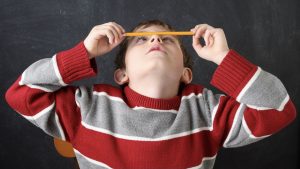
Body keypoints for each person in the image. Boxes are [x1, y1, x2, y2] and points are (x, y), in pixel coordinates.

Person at [5, 20, 296, 169]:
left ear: (186, 74)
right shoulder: (88, 106)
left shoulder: (208, 111)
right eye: (141, 39)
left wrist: (224, 56)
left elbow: (280, 109)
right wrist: (83, 53)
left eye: (168, 39)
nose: (156, 39)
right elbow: (21, 93)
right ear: (122, 74)